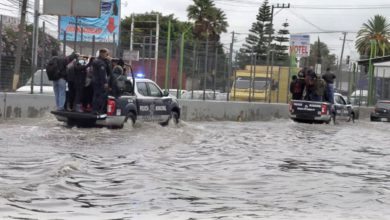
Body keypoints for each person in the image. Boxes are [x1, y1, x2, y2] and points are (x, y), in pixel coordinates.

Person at [92, 48, 110, 115]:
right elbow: (102, 74)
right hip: (99, 82)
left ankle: (94, 109)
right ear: (103, 54)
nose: (107, 56)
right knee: (99, 96)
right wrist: (105, 83)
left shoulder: (96, 61)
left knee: (95, 96)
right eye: (106, 54)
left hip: (94, 81)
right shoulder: (101, 63)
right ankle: (98, 110)